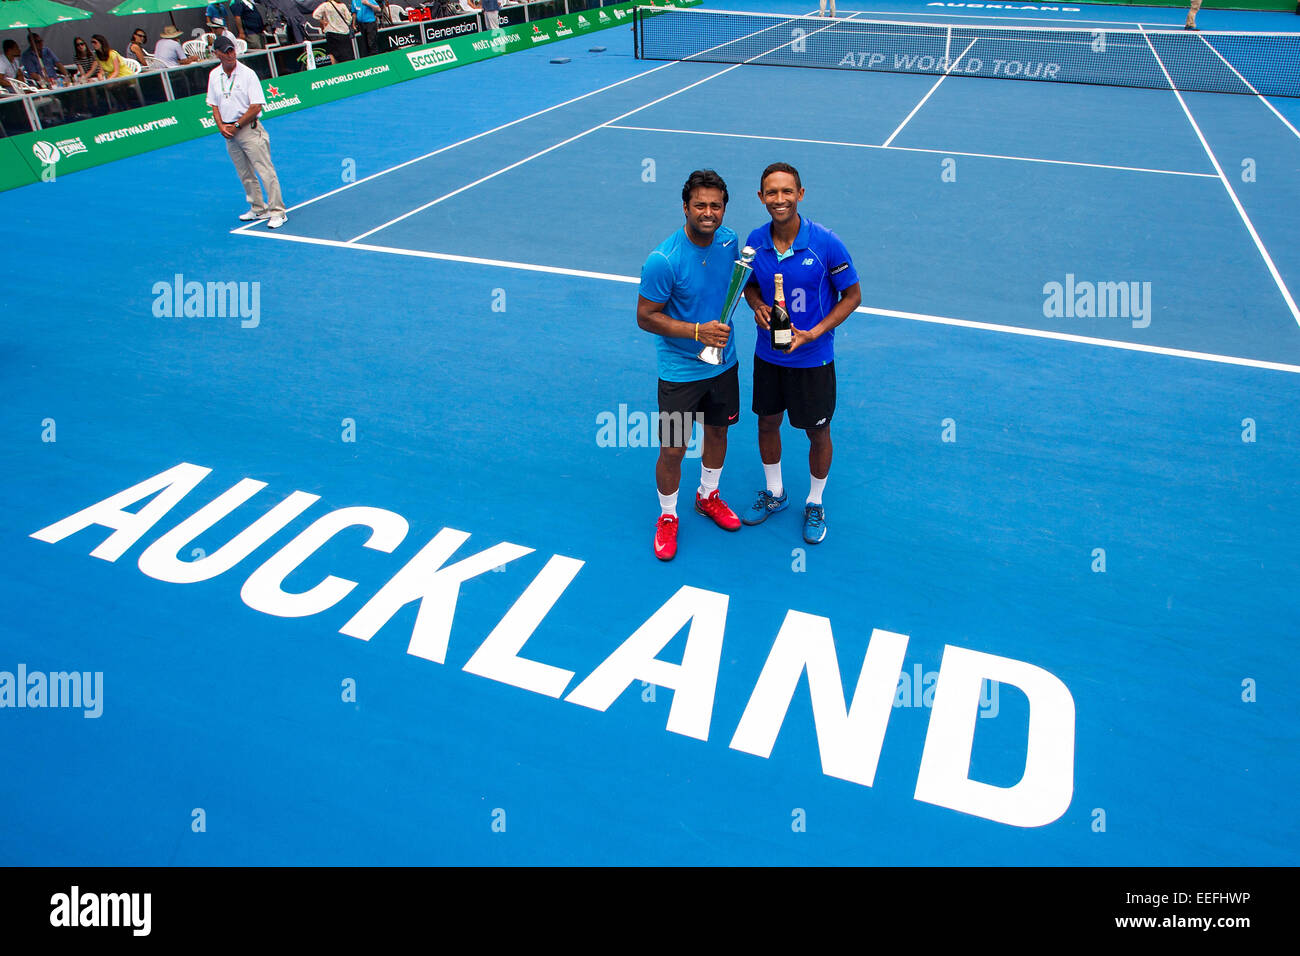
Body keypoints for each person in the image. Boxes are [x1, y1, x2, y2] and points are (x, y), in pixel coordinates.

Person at [740, 163, 861, 545]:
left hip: (814, 359)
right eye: (771, 193)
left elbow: (852, 296)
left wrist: (815, 333)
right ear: (761, 198)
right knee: (766, 423)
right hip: (769, 357)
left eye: (786, 191)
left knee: (817, 431)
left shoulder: (826, 243)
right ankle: (775, 493)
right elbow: (749, 287)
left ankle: (814, 501)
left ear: (801, 194)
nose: (779, 199)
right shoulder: (755, 242)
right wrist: (756, 305)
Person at [637, 169, 744, 561]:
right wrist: (697, 331)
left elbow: (739, 283)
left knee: (718, 435)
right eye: (700, 204)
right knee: (673, 449)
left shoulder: (730, 241)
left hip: (723, 365)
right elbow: (646, 316)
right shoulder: (663, 260)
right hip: (680, 374)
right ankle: (667, 517)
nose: (708, 212)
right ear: (685, 207)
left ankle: (708, 495)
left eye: (716, 205)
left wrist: (760, 306)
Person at [206, 35, 287, 228]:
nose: (230, 55)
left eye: (232, 50)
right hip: (229, 133)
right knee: (245, 173)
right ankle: (259, 208)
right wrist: (222, 127)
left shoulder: (248, 74)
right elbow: (214, 105)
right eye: (225, 52)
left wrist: (235, 126)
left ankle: (278, 211)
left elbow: (256, 106)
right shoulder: (213, 76)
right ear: (216, 53)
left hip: (249, 130)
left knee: (265, 171)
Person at [312, 0, 356, 64]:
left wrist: (323, 22)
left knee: (332, 53)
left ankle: (335, 70)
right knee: (346, 54)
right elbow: (349, 19)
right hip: (343, 33)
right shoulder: (342, 6)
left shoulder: (325, 5)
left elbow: (315, 15)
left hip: (330, 33)